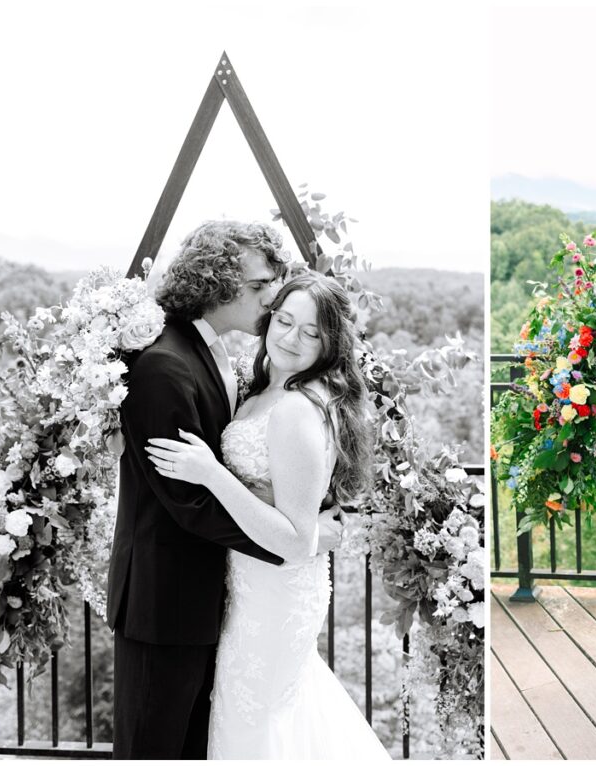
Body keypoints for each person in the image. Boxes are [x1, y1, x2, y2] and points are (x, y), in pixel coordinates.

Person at [145, 272, 392, 760]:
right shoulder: (264, 392)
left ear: (330, 343)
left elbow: (297, 539)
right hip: (251, 585)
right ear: (269, 319)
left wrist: (213, 475)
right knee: (264, 717)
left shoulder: (298, 410)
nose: (290, 338)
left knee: (255, 721)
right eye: (284, 321)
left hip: (278, 592)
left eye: (311, 332)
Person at [106, 221, 291, 759]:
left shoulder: (205, 349)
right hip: (163, 605)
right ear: (214, 282)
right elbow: (188, 501)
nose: (270, 298)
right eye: (259, 286)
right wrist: (290, 541)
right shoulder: (165, 365)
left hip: (203, 599)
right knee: (153, 749)